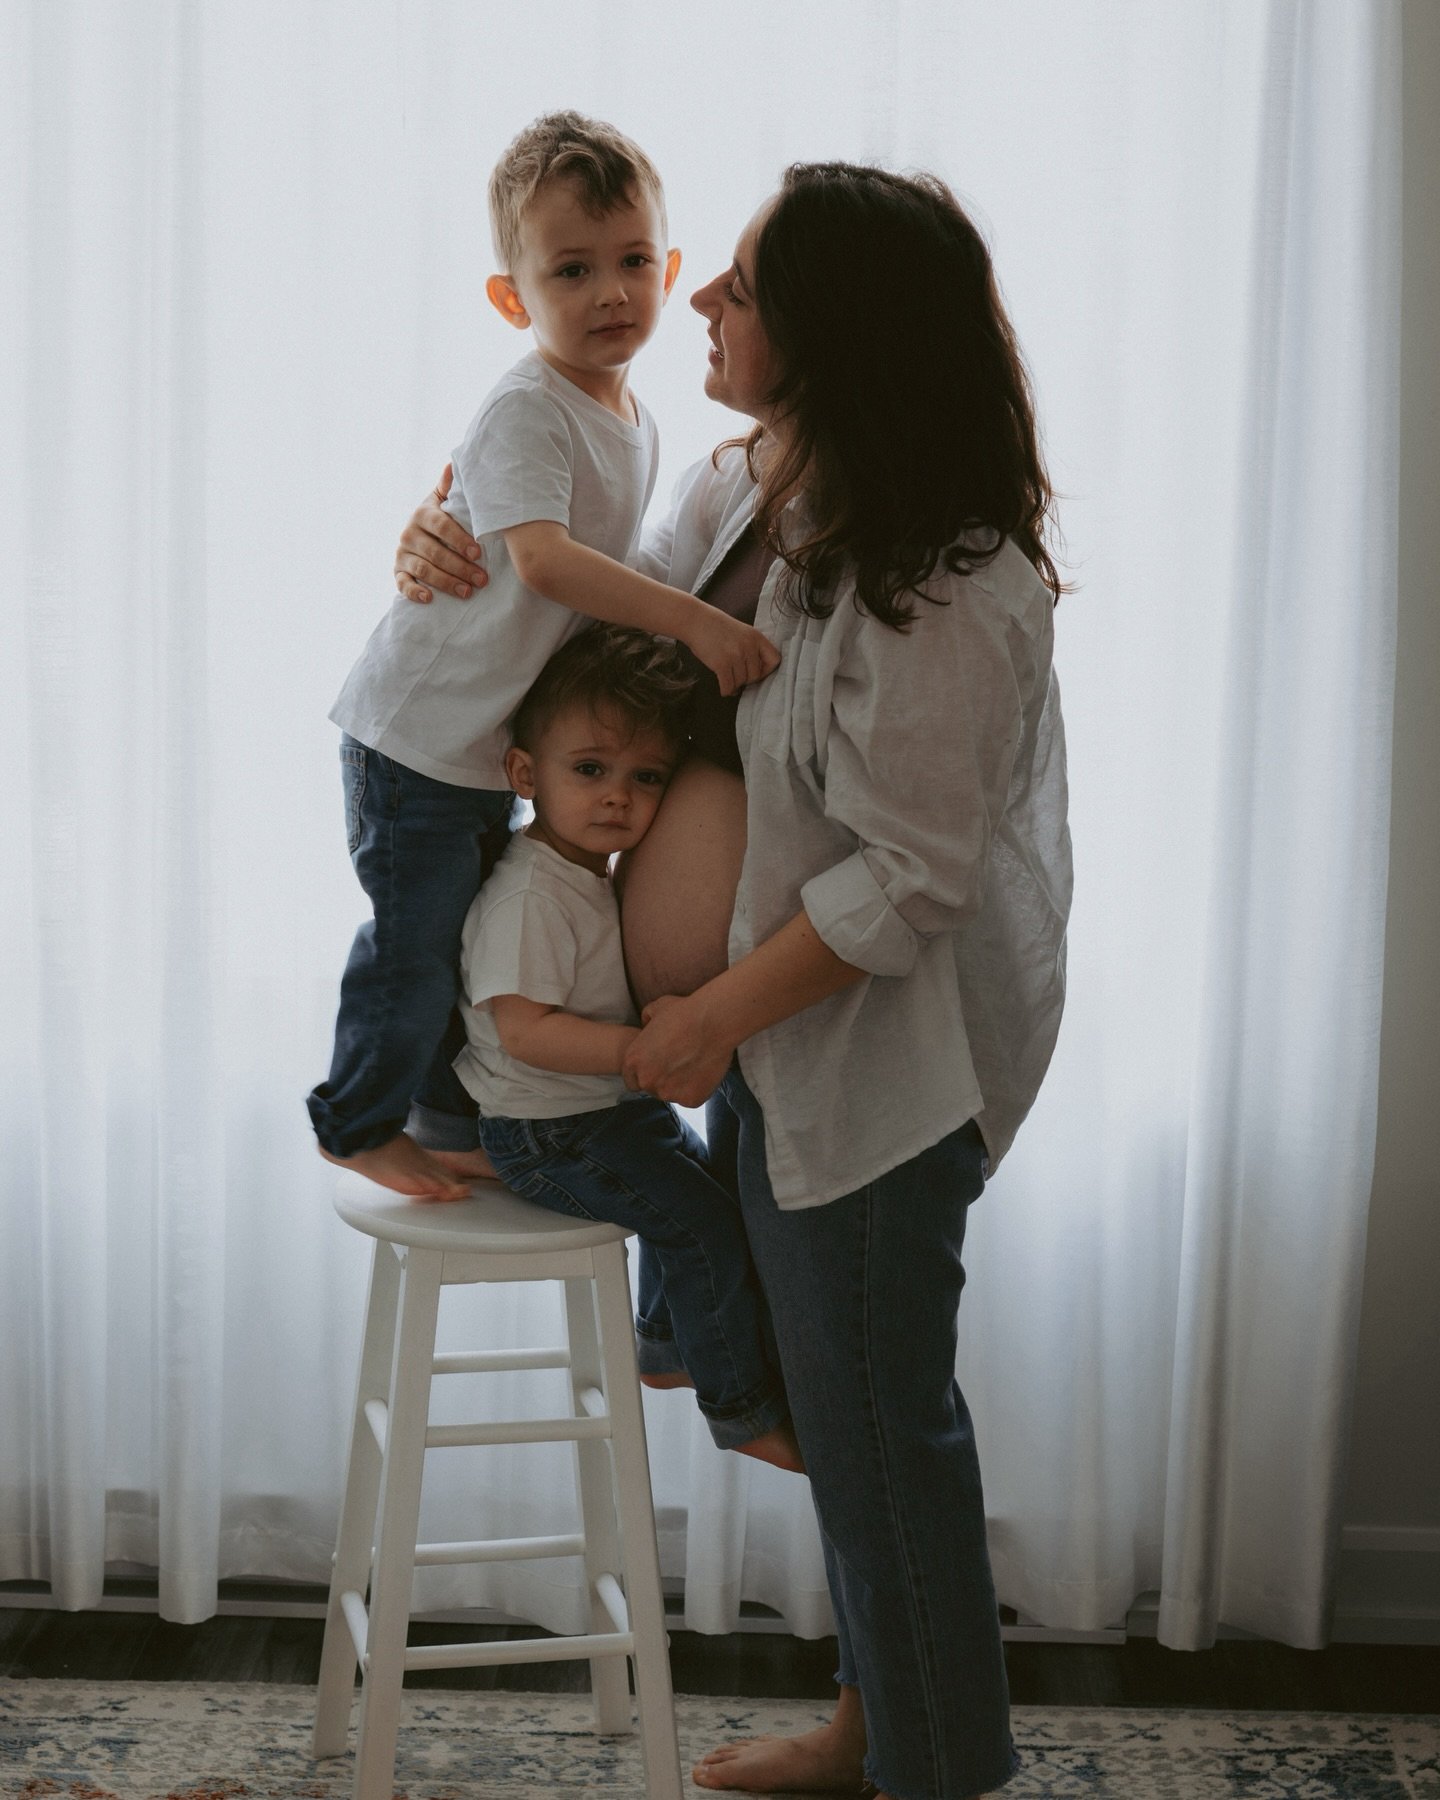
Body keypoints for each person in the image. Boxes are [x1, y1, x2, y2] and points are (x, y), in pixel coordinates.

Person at [393, 162, 1072, 1800]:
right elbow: (581, 616)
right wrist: (446, 539)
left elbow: (914, 880)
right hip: (770, 1042)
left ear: (833, 336)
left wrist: (700, 1017)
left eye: (743, 286)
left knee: (881, 1424)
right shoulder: (747, 488)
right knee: (844, 1413)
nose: (697, 301)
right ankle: (881, 1730)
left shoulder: (957, 584)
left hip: (882, 1060)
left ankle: (929, 1769)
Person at [307, 111, 779, 1202]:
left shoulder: (639, 419)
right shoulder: (529, 406)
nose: (611, 293)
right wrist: (695, 624)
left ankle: (438, 1113)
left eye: (629, 264)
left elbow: (602, 574)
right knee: (415, 943)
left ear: (667, 268)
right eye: (572, 271)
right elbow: (551, 565)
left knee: (458, 942)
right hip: (418, 737)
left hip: (477, 751)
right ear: (514, 300)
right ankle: (355, 1116)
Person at [456, 624, 802, 1473]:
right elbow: (523, 1030)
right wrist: (637, 1051)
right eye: (590, 769)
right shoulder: (530, 895)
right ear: (525, 774)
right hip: (549, 1131)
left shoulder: (583, 870)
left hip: (602, 1116)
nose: (619, 796)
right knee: (702, 1225)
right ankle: (740, 1407)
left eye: (646, 777)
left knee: (700, 1191)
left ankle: (663, 1342)